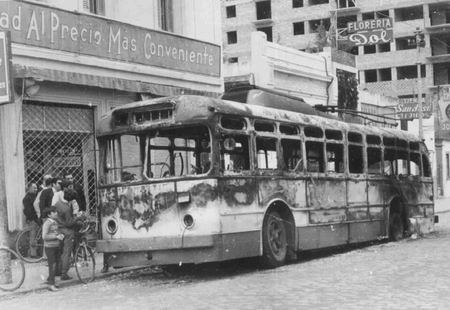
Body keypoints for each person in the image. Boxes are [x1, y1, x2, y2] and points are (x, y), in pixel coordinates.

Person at [55, 185, 79, 280]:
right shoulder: (67, 209)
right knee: (66, 252)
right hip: (67, 232)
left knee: (59, 252)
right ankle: (64, 273)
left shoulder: (57, 204)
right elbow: (69, 223)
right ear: (70, 199)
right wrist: (77, 218)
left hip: (58, 230)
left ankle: (57, 270)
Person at [42, 206, 64, 292]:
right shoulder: (47, 223)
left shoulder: (55, 222)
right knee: (53, 265)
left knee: (57, 264)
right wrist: (56, 236)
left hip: (56, 246)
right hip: (50, 247)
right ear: (49, 214)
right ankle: (51, 284)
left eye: (56, 212)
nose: (56, 213)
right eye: (54, 212)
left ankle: (53, 281)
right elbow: (44, 236)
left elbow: (56, 232)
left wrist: (60, 235)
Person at [23, 183, 39, 257]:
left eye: (36, 188)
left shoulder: (34, 196)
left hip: (35, 218)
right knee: (33, 236)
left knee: (35, 235)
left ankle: (35, 252)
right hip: (33, 219)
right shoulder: (27, 198)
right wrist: (33, 219)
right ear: (29, 188)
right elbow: (28, 211)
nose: (36, 189)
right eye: (34, 188)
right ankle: (33, 254)